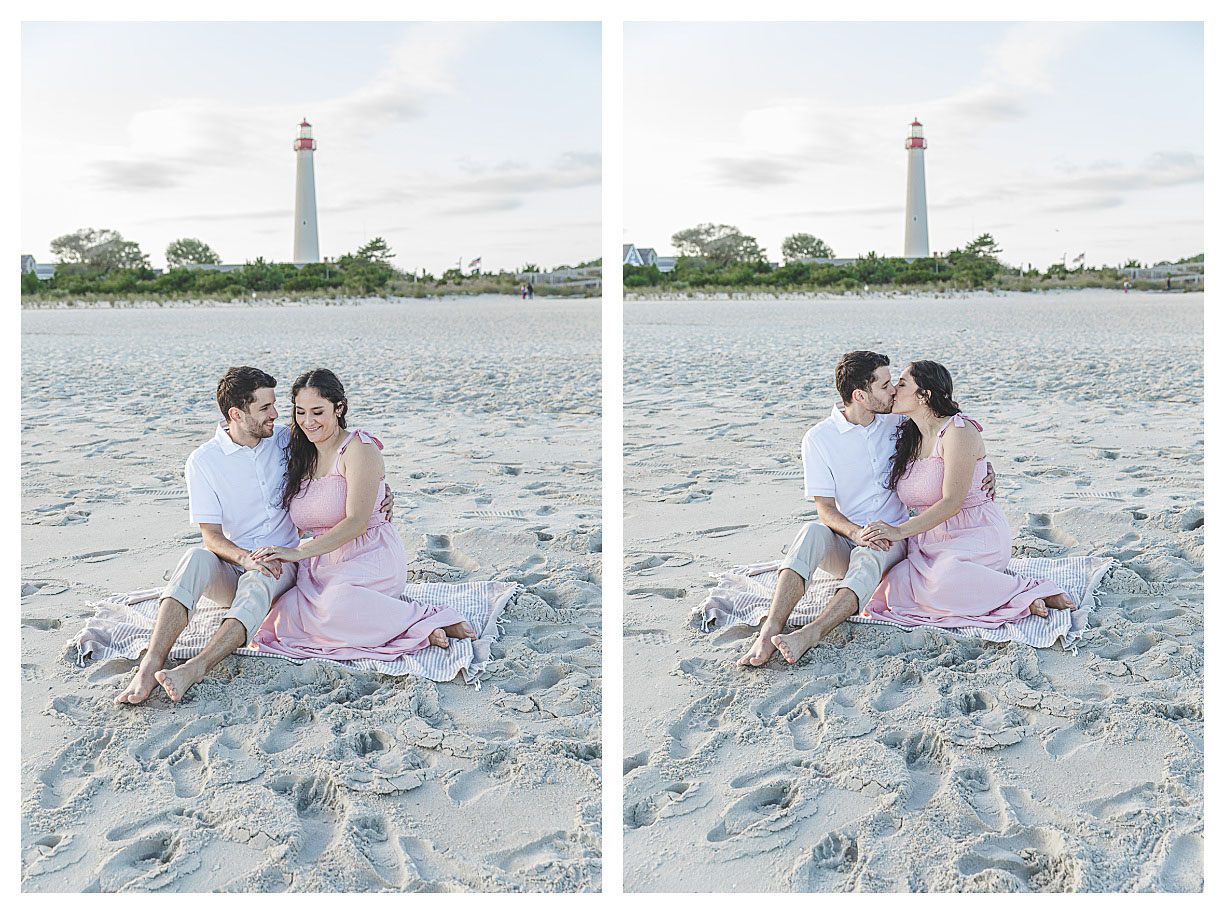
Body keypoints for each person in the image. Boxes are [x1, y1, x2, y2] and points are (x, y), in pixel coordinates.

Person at [115, 367, 390, 705]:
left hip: (281, 563)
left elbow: (344, 464)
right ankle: (151, 662)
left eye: (275, 405)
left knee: (259, 578)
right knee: (195, 558)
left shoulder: (286, 439)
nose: (276, 415)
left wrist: (384, 495)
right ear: (236, 414)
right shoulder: (203, 461)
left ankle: (195, 668)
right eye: (265, 408)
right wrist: (244, 558)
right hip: (234, 562)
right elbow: (211, 537)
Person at [738, 351, 998, 667]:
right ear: (860, 395)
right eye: (886, 385)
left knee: (872, 550)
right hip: (847, 537)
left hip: (893, 541)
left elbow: (950, 437)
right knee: (811, 532)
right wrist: (854, 533)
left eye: (896, 384)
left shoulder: (900, 422)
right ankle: (771, 628)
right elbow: (825, 509)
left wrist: (986, 470)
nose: (893, 391)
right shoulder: (819, 439)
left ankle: (812, 632)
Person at [249, 369, 474, 660]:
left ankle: (419, 619)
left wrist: (295, 553)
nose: (308, 421)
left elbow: (356, 522)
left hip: (370, 553)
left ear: (339, 408)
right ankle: (397, 626)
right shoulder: (299, 452)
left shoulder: (359, 448)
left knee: (337, 605)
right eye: (300, 412)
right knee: (284, 612)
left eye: (318, 412)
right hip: (321, 563)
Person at [855, 360, 1072, 631]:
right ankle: (993, 592)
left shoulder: (958, 431)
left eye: (902, 384)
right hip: (930, 539)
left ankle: (1022, 592)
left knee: (945, 578)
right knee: (895, 584)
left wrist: (897, 532)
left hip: (975, 531)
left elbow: (952, 501)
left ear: (924, 396)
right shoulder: (907, 432)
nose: (895, 391)